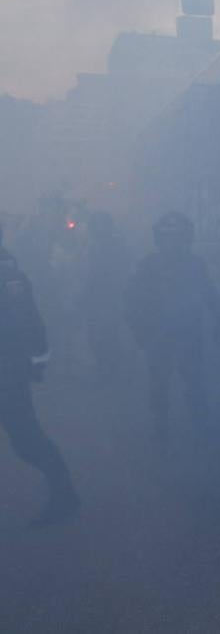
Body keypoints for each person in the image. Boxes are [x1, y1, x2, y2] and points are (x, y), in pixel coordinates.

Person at [0, 223, 78, 525]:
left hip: (6, 370)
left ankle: (64, 494)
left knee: (26, 440)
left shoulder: (8, 276)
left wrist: (36, 363)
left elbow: (27, 322)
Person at [124, 212, 220, 445]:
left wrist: (219, 321)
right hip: (158, 336)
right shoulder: (148, 266)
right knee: (159, 383)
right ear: (159, 239)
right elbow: (132, 300)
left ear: (186, 238)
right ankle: (161, 426)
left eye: (178, 237)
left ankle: (201, 425)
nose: (173, 242)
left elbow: (210, 294)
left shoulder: (195, 264)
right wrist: (139, 332)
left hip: (189, 334)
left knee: (195, 381)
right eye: (167, 237)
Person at [80, 212, 129, 381]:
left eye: (97, 226)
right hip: (98, 298)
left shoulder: (113, 246)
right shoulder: (95, 245)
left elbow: (104, 274)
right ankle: (107, 367)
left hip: (108, 297)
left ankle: (109, 369)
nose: (94, 230)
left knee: (105, 335)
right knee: (97, 335)